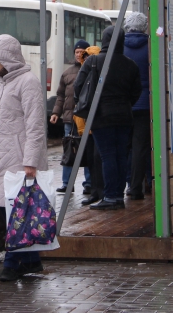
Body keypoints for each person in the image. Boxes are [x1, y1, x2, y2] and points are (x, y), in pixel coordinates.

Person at [0, 35, 48, 282]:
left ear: (7, 58)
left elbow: (35, 125)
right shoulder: (0, 82)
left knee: (15, 214)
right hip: (0, 159)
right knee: (12, 212)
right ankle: (31, 261)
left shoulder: (28, 82)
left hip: (19, 160)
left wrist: (30, 161)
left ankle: (11, 264)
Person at [74, 26, 142, 210]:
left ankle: (111, 196)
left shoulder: (94, 61)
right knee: (121, 156)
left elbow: (78, 87)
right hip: (124, 116)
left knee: (108, 156)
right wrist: (125, 103)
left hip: (100, 115)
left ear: (104, 40)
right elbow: (136, 91)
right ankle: (118, 195)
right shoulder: (130, 64)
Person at [51, 39, 90, 194]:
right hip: (69, 118)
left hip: (86, 118)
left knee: (87, 149)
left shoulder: (92, 69)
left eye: (82, 52)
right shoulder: (67, 73)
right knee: (69, 151)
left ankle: (89, 183)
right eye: (77, 52)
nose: (79, 55)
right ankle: (67, 183)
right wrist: (55, 113)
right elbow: (60, 96)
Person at [122, 11, 151, 200]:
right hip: (145, 104)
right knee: (141, 147)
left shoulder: (120, 47)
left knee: (125, 146)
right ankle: (137, 187)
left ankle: (127, 182)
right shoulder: (150, 46)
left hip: (124, 105)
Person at [78, 45, 104, 205]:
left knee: (97, 158)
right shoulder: (82, 72)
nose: (86, 59)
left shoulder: (96, 73)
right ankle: (95, 190)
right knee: (91, 160)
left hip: (95, 124)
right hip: (84, 125)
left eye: (90, 56)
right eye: (85, 57)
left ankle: (100, 191)